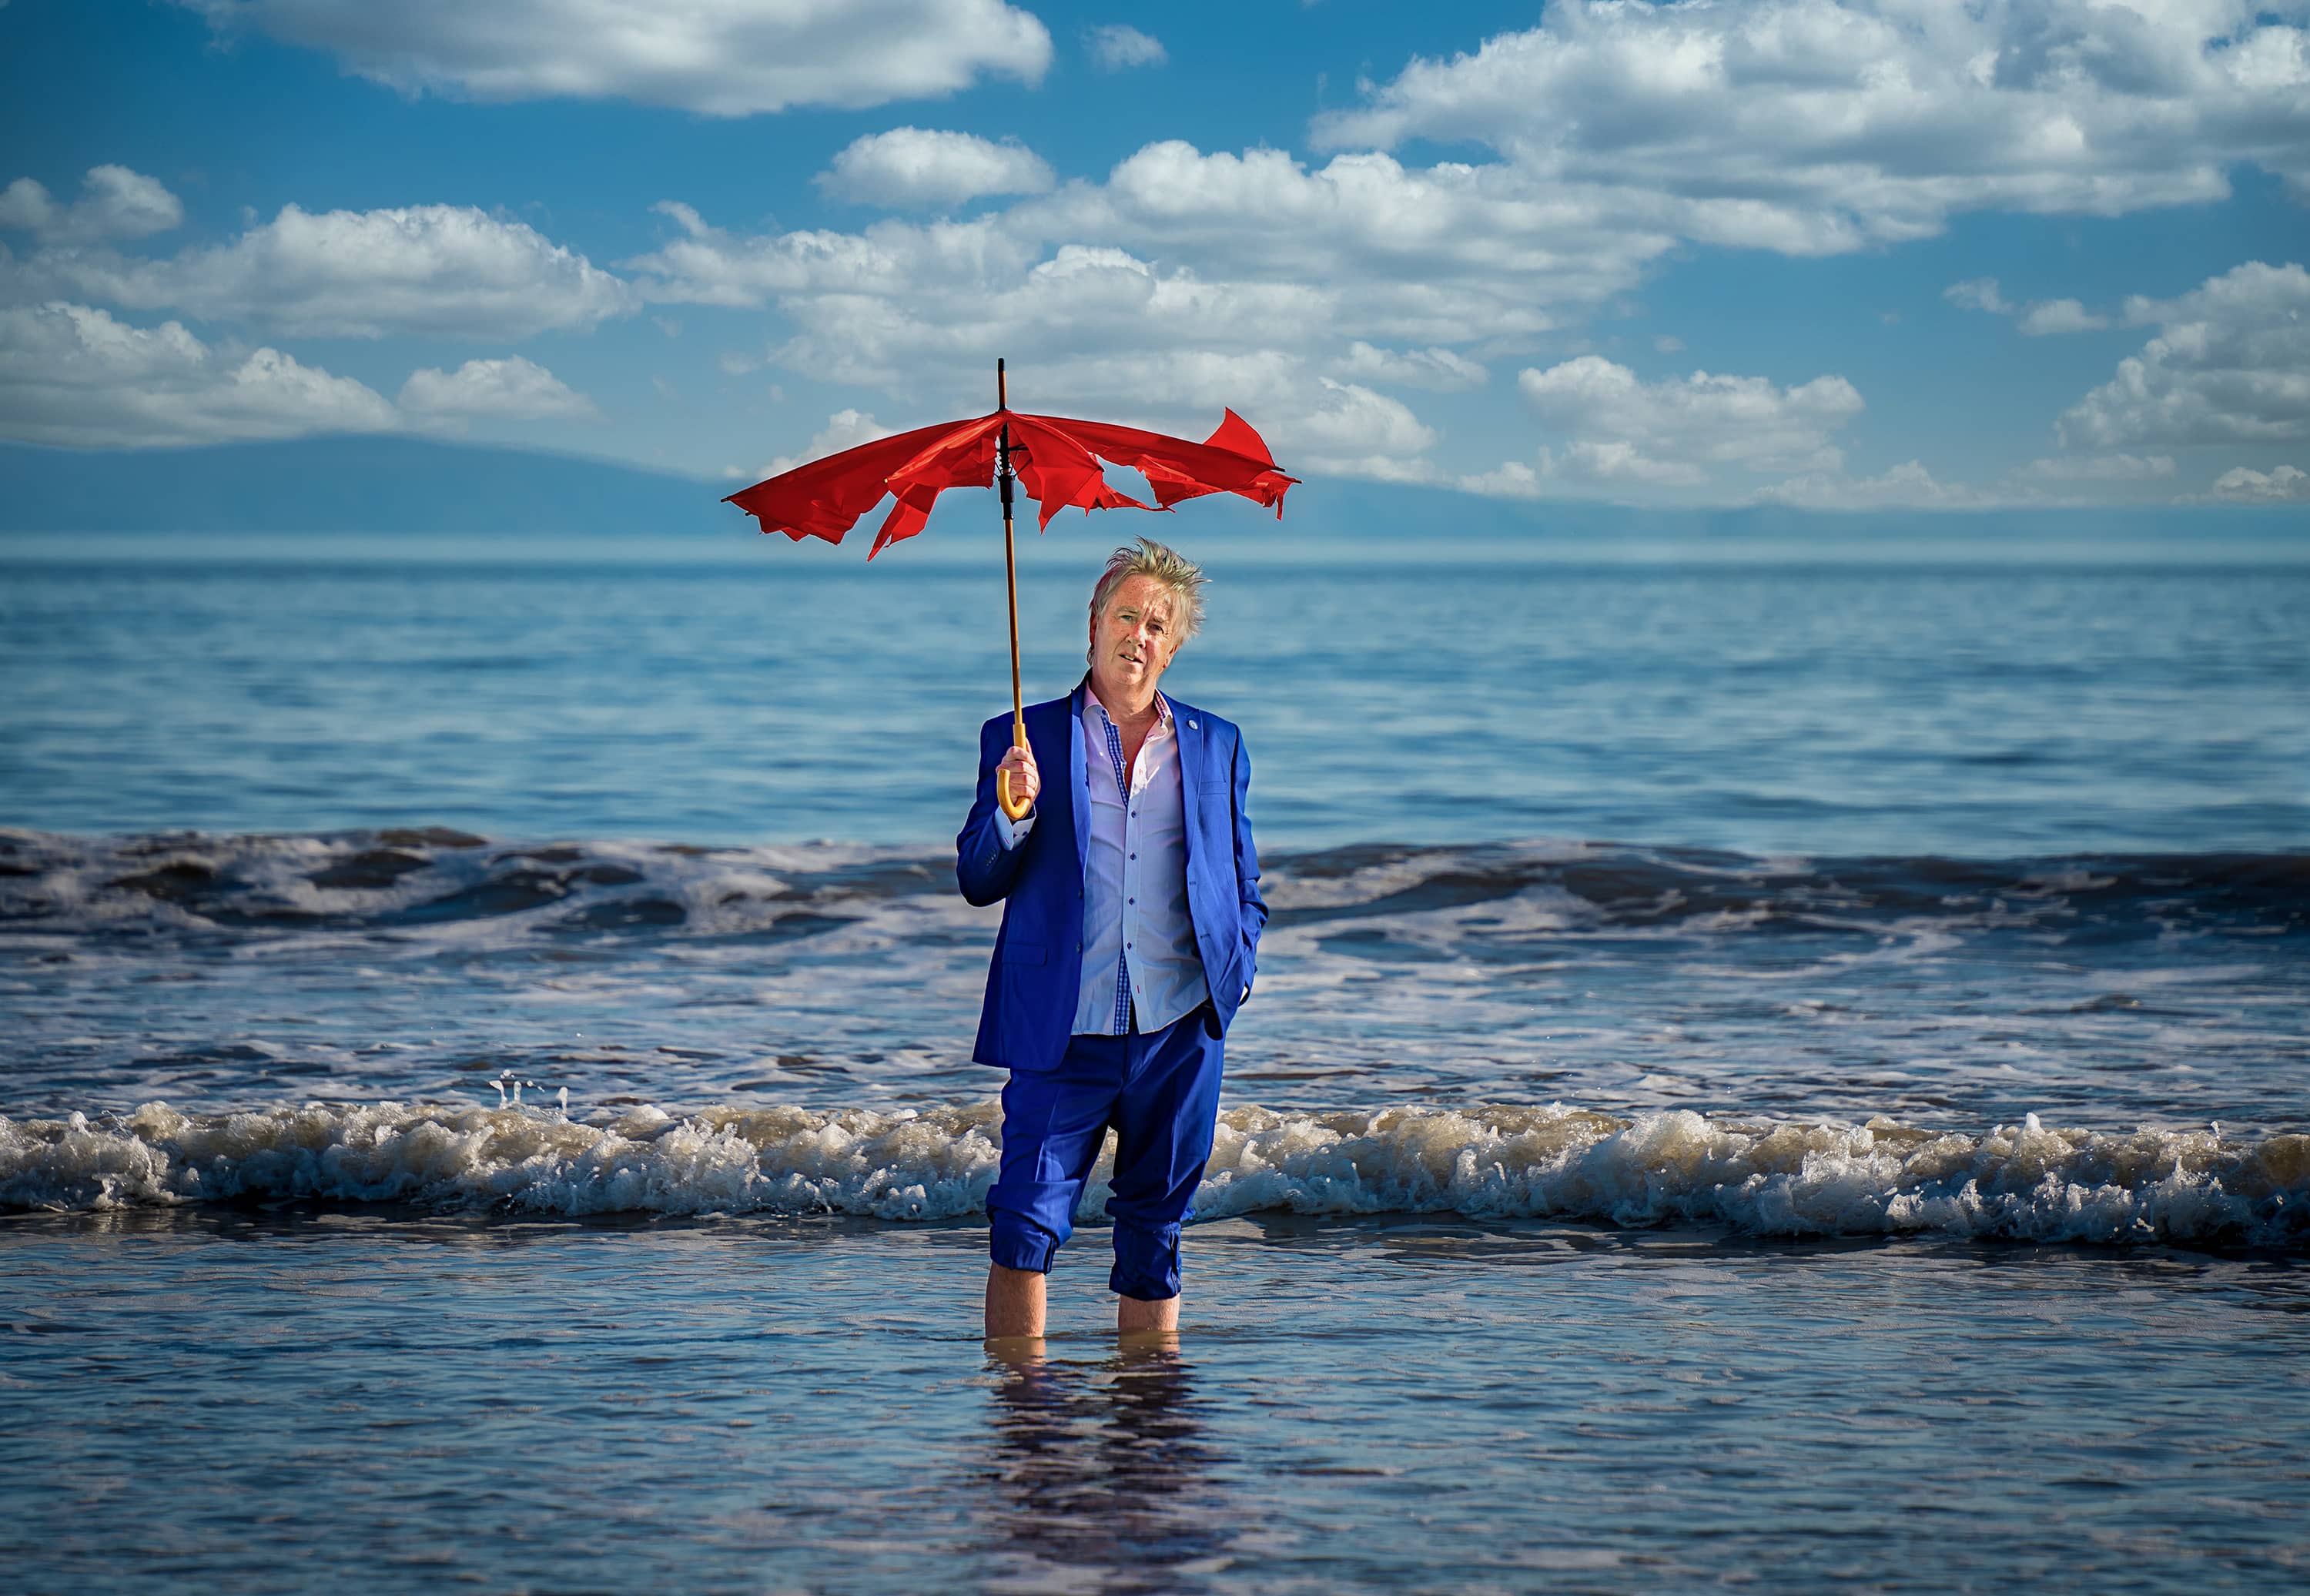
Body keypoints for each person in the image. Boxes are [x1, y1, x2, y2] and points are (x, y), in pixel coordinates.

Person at [956, 536, 1265, 1341]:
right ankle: (1024, 1429)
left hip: (1179, 1028)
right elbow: (977, 878)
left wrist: (1234, 977)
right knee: (1023, 1225)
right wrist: (1012, 815)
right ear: (1092, 626)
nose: (1140, 634)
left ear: (1178, 642)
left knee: (1154, 1238)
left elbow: (1241, 881)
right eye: (1126, 615)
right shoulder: (1020, 737)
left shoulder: (1216, 742)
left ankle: (1147, 1429)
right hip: (1064, 1027)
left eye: (1158, 624)